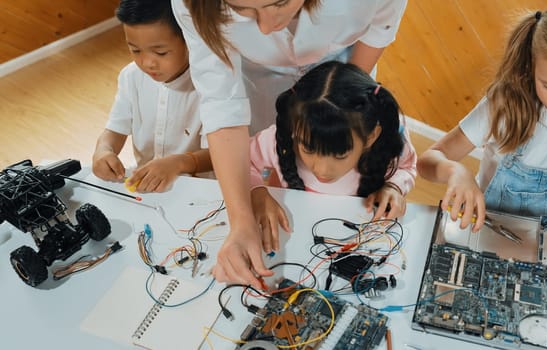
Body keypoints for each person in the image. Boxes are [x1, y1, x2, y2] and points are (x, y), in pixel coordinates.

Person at [171, 0, 408, 289]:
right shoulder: (272, 140)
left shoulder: (376, 140)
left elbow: (376, 33)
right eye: (242, 11)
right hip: (261, 85)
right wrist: (241, 219)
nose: (267, 27)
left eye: (280, 3)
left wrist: (337, 115)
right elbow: (223, 107)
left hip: (344, 86)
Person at [416, 0, 547, 313]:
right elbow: (429, 159)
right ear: (533, 64)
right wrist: (456, 172)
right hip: (486, 240)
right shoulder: (505, 103)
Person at [249, 61, 417, 250]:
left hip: (355, 243)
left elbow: (407, 167)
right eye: (308, 149)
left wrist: (393, 187)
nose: (322, 169)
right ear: (295, 129)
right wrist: (257, 191)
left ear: (371, 137)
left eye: (339, 154)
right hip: (289, 238)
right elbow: (242, 161)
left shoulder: (389, 144)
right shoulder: (277, 141)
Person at [92, 0, 211, 193]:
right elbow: (114, 130)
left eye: (160, 52)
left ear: (190, 38)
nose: (147, 62)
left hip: (197, 189)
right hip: (146, 187)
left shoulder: (210, 85)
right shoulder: (131, 76)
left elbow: (222, 154)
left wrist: (179, 163)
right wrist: (103, 150)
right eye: (135, 50)